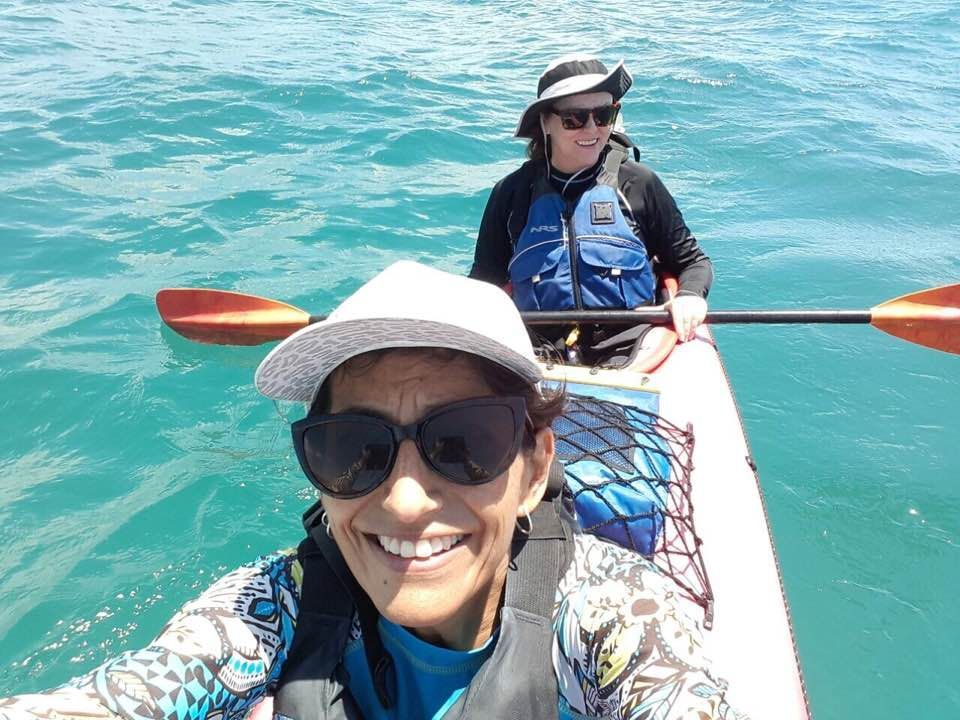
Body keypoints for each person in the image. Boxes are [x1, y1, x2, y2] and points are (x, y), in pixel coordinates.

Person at [0, 262, 742, 720]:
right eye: (354, 449)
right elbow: (129, 693)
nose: (406, 500)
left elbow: (674, 691)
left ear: (533, 467)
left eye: (465, 444)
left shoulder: (610, 610)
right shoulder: (277, 605)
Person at [470, 54, 712, 356]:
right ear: (545, 122)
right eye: (574, 118)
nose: (592, 129)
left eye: (603, 116)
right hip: (537, 354)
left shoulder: (639, 184)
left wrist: (689, 296)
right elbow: (484, 282)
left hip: (633, 348)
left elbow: (692, 261)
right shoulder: (511, 193)